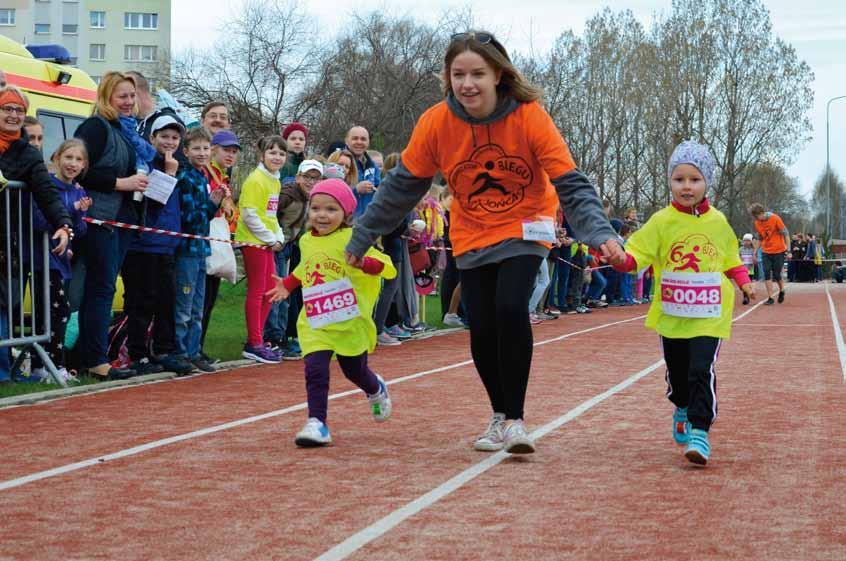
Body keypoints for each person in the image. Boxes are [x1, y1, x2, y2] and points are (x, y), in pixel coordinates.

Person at [344, 31, 624, 454]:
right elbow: (402, 185)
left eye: (477, 73)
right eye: (458, 74)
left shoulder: (529, 115)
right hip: (472, 229)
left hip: (526, 224)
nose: (467, 83)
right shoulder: (437, 122)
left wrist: (600, 233)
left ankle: (515, 419)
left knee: (511, 307)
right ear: (448, 77)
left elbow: (571, 182)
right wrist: (363, 234)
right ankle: (498, 414)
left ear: (498, 74)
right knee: (482, 324)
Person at [612, 140, 754, 466]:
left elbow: (730, 259)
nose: (687, 186)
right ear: (670, 183)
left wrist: (744, 283)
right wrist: (621, 260)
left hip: (709, 313)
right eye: (679, 179)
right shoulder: (661, 222)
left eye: (694, 179)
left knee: (700, 369)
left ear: (706, 183)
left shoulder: (718, 222)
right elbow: (637, 255)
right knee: (678, 373)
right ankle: (681, 406)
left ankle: (700, 432)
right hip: (673, 312)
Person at [265, 179, 395, 447]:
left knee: (354, 371)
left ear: (347, 214)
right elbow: (306, 269)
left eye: (331, 210)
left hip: (348, 320)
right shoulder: (305, 241)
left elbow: (386, 266)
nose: (321, 215)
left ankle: (374, 388)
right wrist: (288, 284)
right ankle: (317, 423)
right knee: (315, 368)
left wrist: (364, 262)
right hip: (316, 319)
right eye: (315, 208)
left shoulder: (353, 238)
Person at [74, 71, 153, 380]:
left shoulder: (126, 131)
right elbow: (77, 169)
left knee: (104, 289)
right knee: (100, 288)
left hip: (122, 220)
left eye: (132, 96)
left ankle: (91, 355)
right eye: (122, 96)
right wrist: (123, 183)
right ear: (107, 97)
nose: (128, 102)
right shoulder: (95, 127)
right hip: (100, 219)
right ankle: (94, 359)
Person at [0, 86, 73, 385]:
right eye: (7, 108)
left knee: (4, 306)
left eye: (19, 110)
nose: (14, 115)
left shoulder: (28, 153)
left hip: (6, 243)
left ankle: (3, 371)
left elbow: (46, 192)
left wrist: (63, 223)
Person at [121, 115, 193, 376]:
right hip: (142, 246)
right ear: (151, 138)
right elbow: (150, 206)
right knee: (141, 302)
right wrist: (168, 174)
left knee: (167, 301)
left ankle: (164, 350)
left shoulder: (176, 165)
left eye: (175, 137)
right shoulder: (145, 164)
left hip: (167, 247)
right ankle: (138, 354)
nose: (169, 142)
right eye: (164, 136)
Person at [29, 139, 90, 383]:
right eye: (68, 157)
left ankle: (51, 364)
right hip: (44, 260)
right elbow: (42, 221)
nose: (72, 164)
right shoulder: (48, 187)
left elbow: (80, 231)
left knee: (60, 312)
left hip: (63, 261)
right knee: (55, 312)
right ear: (57, 158)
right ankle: (47, 366)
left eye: (78, 159)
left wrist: (81, 213)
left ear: (84, 164)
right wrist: (72, 209)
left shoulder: (79, 190)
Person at [173, 127, 228, 372]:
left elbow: (203, 217)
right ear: (186, 151)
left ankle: (194, 351)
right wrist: (212, 202)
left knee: (197, 307)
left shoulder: (203, 176)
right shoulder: (186, 178)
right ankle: (181, 352)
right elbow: (192, 218)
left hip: (201, 249)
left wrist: (214, 200)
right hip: (187, 250)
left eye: (206, 148)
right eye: (196, 148)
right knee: (184, 307)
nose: (202, 153)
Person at [264, 158, 324, 359]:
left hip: (290, 247)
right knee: (278, 293)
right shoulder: (288, 195)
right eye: (307, 177)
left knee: (286, 295)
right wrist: (275, 237)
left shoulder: (311, 199)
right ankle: (271, 338)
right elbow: (269, 214)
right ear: (298, 177)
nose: (310, 182)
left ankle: (280, 336)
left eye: (315, 178)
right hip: (277, 246)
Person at [235, 135, 287, 363]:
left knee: (269, 290)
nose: (277, 157)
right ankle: (254, 341)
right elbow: (249, 215)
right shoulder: (256, 180)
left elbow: (271, 214)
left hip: (266, 242)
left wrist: (279, 237)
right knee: (257, 290)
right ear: (262, 154)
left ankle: (258, 338)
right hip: (253, 241)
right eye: (272, 152)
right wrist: (268, 238)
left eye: (281, 153)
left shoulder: (275, 180)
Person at [199, 129, 240, 364]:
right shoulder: (207, 173)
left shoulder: (223, 176)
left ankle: (200, 346)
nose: (230, 155)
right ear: (213, 149)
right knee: (202, 298)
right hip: (205, 239)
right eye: (226, 150)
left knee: (210, 296)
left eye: (234, 151)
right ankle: (194, 348)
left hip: (219, 238)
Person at [750, 202, 789, 305]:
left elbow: (786, 234)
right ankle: (770, 297)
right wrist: (755, 251)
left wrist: (788, 251)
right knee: (767, 273)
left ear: (762, 212)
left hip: (779, 251)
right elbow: (760, 238)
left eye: (758, 216)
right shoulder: (757, 223)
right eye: (755, 218)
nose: (758, 219)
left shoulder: (775, 218)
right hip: (766, 251)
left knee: (777, 275)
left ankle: (782, 290)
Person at [345, 126, 381, 217]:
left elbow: (379, 191)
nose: (359, 142)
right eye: (355, 138)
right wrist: (356, 190)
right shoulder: (340, 162)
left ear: (368, 142)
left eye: (363, 139)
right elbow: (332, 193)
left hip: (368, 221)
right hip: (345, 221)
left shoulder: (373, 167)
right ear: (347, 141)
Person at [739, 233, 757, 304]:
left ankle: (747, 296)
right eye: (745, 240)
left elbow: (755, 261)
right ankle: (745, 297)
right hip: (743, 269)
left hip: (750, 269)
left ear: (751, 241)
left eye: (748, 241)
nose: (746, 242)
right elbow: (738, 257)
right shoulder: (740, 249)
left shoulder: (753, 250)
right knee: (743, 284)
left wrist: (753, 262)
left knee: (748, 284)